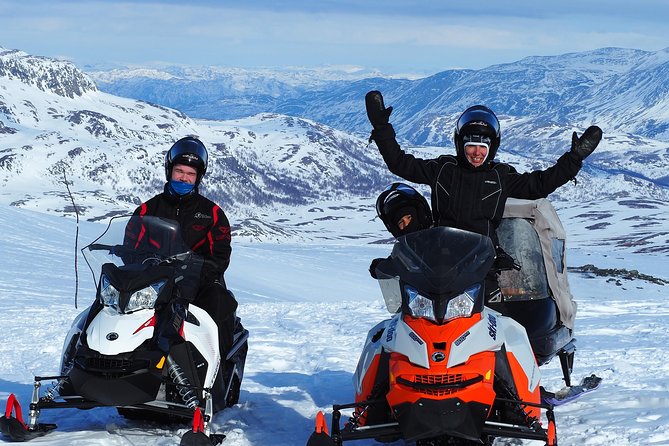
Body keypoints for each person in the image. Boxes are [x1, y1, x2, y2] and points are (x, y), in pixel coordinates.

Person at [365, 90, 602, 301]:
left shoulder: (501, 176)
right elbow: (400, 164)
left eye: (482, 147)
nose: (476, 153)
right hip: (441, 263)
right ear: (461, 145)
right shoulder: (443, 170)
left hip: (483, 266)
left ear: (492, 148)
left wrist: (573, 159)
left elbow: (540, 184)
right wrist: (381, 127)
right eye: (471, 146)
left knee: (492, 327)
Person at [125, 136, 238, 356]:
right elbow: (131, 246)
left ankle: (218, 368)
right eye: (180, 171)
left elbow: (221, 256)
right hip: (152, 281)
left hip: (197, 283)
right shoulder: (148, 210)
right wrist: (143, 261)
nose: (184, 178)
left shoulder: (212, 214)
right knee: (109, 304)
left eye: (190, 174)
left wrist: (198, 266)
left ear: (198, 178)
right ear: (170, 171)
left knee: (220, 303)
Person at [369, 182, 432, 278]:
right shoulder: (405, 248)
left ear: (420, 216)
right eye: (401, 222)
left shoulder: (439, 237)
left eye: (409, 217)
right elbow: (399, 262)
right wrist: (380, 267)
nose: (406, 224)